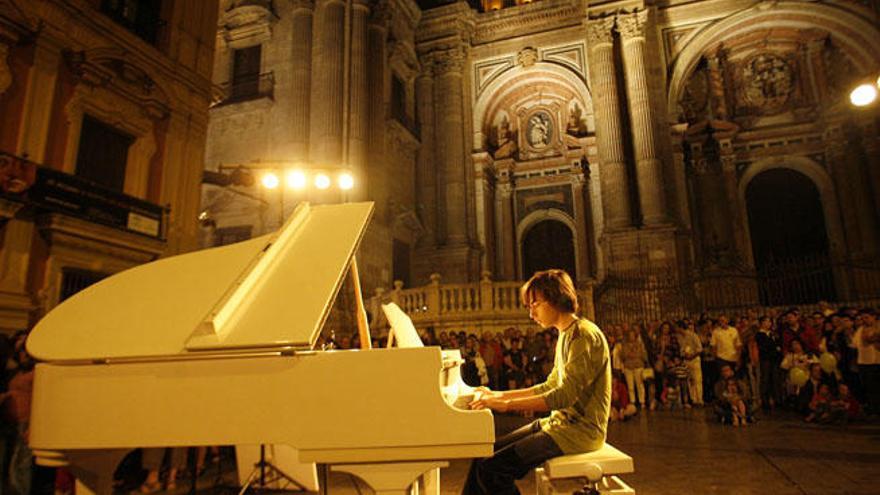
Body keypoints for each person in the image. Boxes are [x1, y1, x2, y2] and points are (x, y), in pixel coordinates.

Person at [463, 269, 611, 495]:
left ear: (555, 298)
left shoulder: (583, 335)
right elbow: (549, 385)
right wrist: (498, 395)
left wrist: (507, 405)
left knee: (493, 470)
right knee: (483, 454)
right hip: (559, 424)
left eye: (535, 304)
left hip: (580, 433)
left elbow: (564, 396)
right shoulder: (566, 333)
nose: (531, 313)